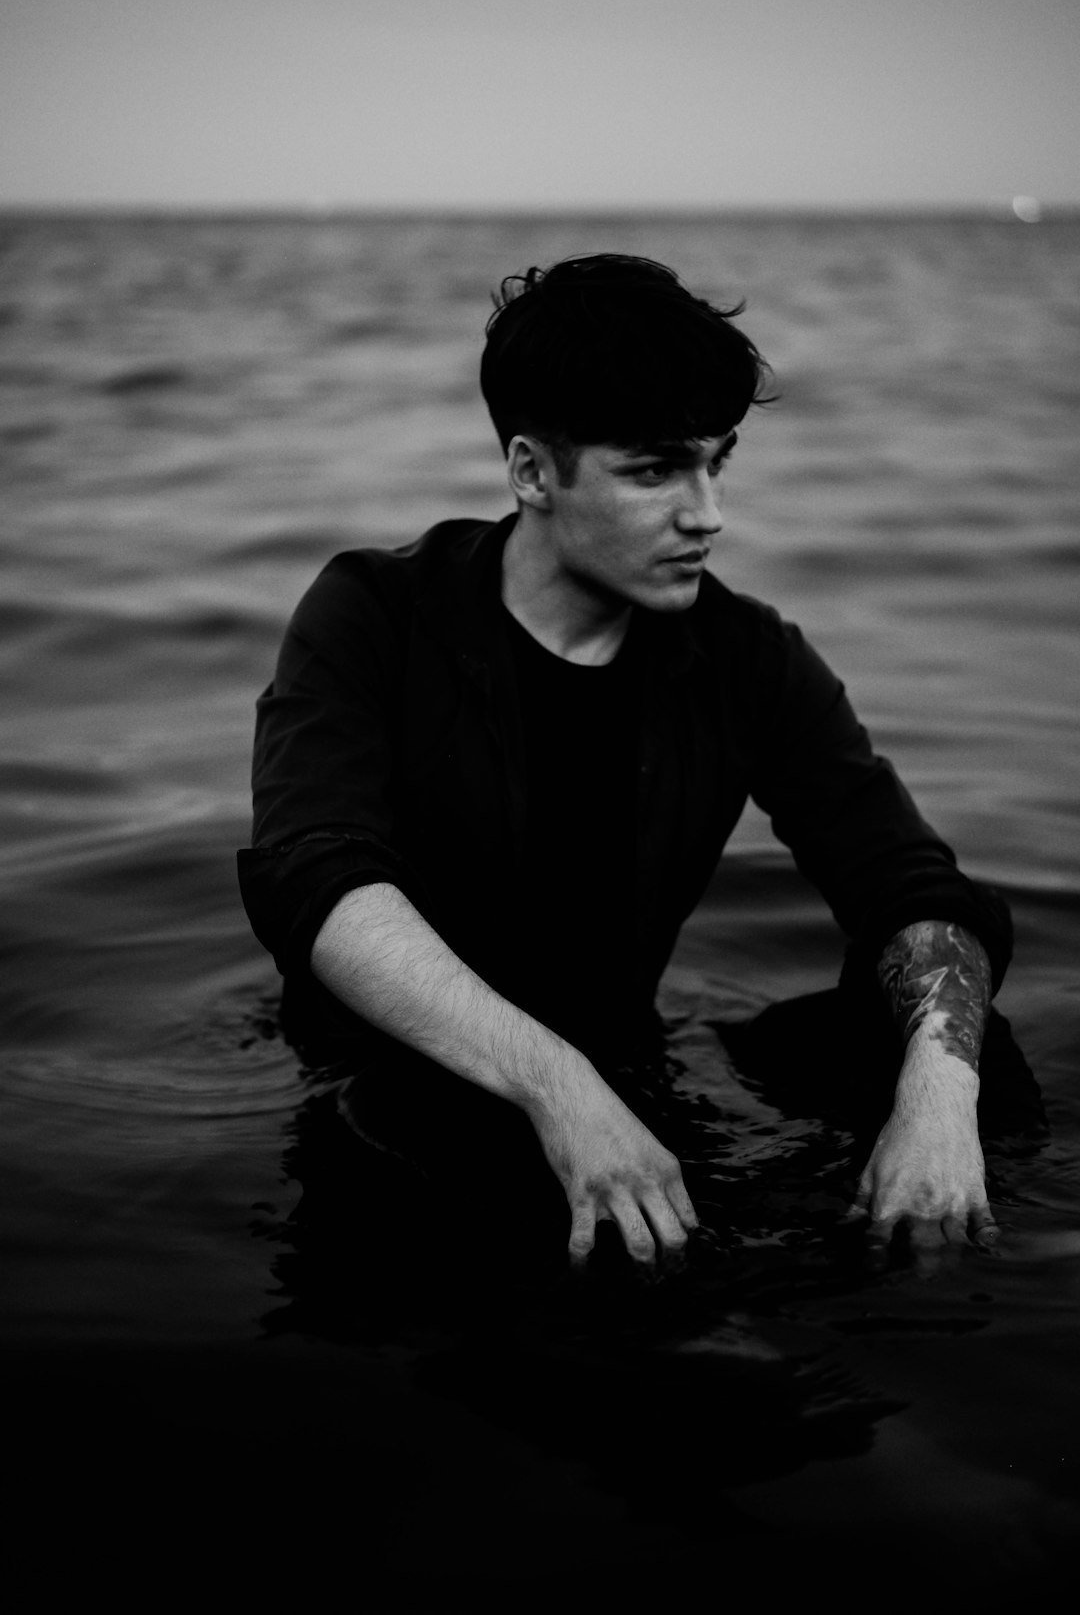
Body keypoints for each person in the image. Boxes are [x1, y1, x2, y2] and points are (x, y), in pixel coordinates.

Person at [238, 252, 1017, 1269]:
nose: (707, 513)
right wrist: (555, 1086)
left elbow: (904, 879)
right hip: (395, 1077)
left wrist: (938, 1092)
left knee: (968, 1055)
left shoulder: (748, 655)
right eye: (654, 471)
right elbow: (317, 875)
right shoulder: (376, 616)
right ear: (531, 473)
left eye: (717, 462)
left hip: (626, 1055)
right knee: (621, 1284)